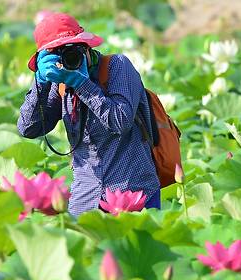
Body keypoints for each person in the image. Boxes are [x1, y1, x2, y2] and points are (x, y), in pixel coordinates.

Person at [17, 12, 160, 218]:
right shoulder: (59, 82)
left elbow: (120, 121)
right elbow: (29, 128)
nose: (67, 58)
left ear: (86, 47)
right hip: (85, 200)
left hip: (134, 194)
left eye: (73, 49)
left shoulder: (117, 67)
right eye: (57, 53)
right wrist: (40, 81)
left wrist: (82, 83)